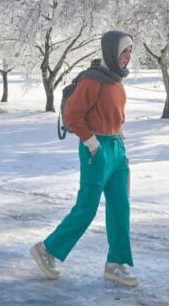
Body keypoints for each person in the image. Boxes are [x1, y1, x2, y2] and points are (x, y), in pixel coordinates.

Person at [30, 30, 138, 287]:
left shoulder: (116, 80)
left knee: (121, 208)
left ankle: (116, 264)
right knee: (86, 208)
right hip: (95, 150)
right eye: (123, 50)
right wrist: (92, 145)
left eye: (130, 51)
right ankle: (46, 250)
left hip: (116, 149)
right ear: (111, 51)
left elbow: (115, 116)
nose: (127, 56)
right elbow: (72, 115)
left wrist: (121, 144)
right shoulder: (93, 80)